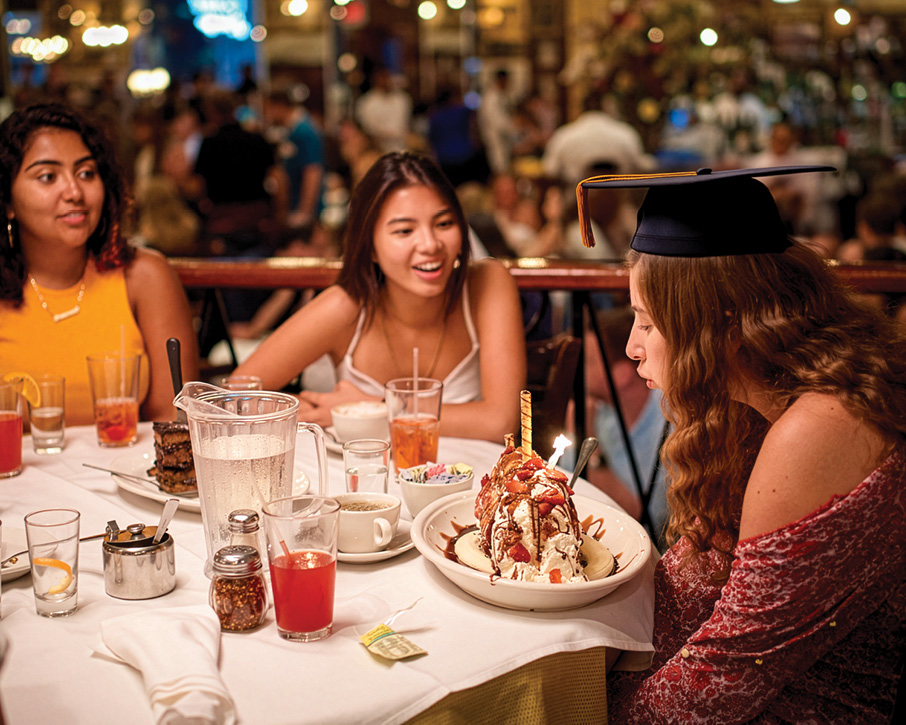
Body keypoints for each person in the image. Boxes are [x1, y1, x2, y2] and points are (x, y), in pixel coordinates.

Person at [575, 167, 906, 722]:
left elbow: (727, 678)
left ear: (720, 321)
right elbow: (688, 587)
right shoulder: (755, 398)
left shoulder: (818, 425)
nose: (633, 347)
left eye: (648, 324)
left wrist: (581, 706)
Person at [233, 152, 525, 441]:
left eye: (444, 224)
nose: (430, 244)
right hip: (363, 480)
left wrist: (375, 409)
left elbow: (501, 421)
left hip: (475, 482)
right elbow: (235, 396)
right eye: (404, 230)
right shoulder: (345, 308)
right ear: (370, 246)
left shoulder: (488, 284)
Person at [0, 103, 199, 426]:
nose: (74, 191)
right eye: (48, 177)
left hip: (121, 471)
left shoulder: (144, 276)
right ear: (7, 201)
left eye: (86, 173)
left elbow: (173, 420)